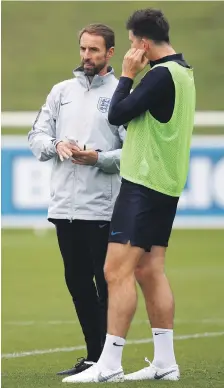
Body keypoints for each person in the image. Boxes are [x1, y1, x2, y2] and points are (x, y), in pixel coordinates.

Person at [62, 8, 196, 383]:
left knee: (113, 271)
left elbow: (117, 114)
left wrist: (126, 74)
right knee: (150, 271)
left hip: (143, 185)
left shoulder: (158, 76)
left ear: (140, 42)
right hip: (165, 186)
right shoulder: (185, 73)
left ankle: (109, 364)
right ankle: (165, 362)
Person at [28, 24, 126, 376]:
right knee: (77, 283)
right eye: (83, 49)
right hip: (63, 207)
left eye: (94, 50)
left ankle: (107, 360)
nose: (86, 56)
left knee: (106, 284)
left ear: (110, 53)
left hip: (102, 206)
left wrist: (98, 158)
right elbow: (36, 134)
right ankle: (93, 357)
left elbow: (133, 151)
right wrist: (56, 145)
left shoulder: (121, 93)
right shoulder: (61, 91)